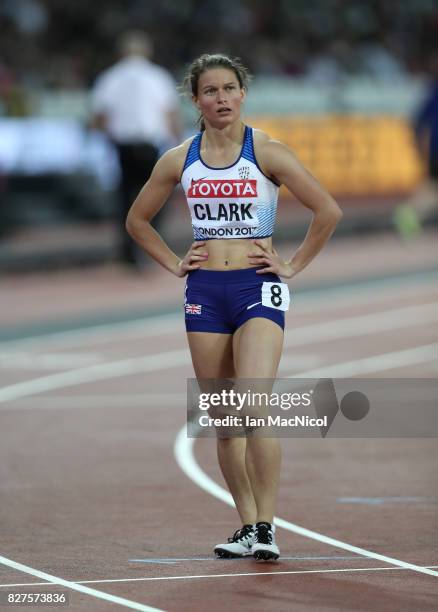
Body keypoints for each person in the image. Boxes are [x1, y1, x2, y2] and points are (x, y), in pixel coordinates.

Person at [126, 53, 342, 561]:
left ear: (243, 93)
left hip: (257, 287)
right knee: (225, 419)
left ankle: (268, 525)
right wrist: (175, 262)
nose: (221, 99)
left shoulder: (267, 152)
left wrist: (292, 265)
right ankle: (247, 524)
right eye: (210, 91)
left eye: (229, 89)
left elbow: (327, 209)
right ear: (195, 99)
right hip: (204, 292)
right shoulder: (179, 158)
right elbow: (137, 221)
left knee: (253, 403)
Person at [90, 30, 182, 266]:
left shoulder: (109, 77)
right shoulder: (158, 76)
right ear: (146, 51)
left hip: (122, 146)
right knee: (157, 197)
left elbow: (99, 117)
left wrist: (104, 136)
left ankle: (128, 252)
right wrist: (179, 145)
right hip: (150, 146)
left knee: (125, 200)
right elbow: (171, 114)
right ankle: (151, 247)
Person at [393, 53, 438, 239]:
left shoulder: (432, 92)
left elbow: (417, 122)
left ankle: (410, 213)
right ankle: (410, 213)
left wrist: (419, 145)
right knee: (433, 189)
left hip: (434, 149)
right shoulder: (432, 92)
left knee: (432, 188)